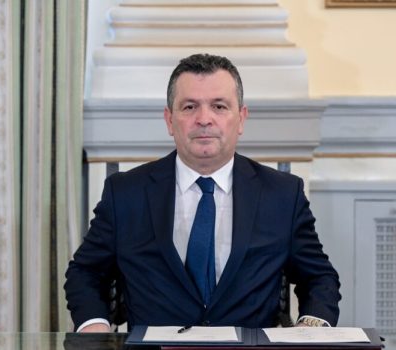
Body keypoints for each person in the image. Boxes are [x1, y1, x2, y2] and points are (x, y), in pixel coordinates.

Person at [65, 53, 341, 333]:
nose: (204, 119)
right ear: (169, 120)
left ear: (241, 118)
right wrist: (94, 329)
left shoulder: (282, 195)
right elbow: (85, 272)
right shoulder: (126, 193)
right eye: (189, 107)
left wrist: (310, 328)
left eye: (219, 106)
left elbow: (320, 278)